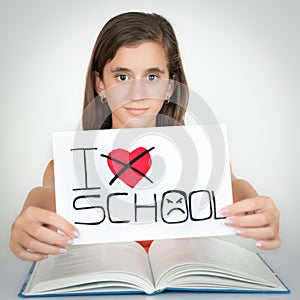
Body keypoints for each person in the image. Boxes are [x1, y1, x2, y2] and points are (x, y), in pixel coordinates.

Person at [10, 12, 280, 261]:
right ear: (100, 84)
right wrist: (28, 223)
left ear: (169, 87)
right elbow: (46, 193)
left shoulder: (202, 158)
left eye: (152, 76)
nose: (137, 93)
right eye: (123, 77)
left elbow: (234, 188)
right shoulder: (70, 165)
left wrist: (258, 211)